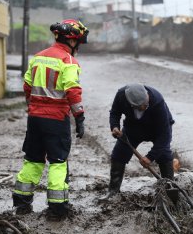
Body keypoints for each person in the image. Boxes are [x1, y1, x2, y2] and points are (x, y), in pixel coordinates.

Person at [12, 19, 89, 217]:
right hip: (56, 119)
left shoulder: (38, 57)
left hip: (35, 118)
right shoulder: (68, 61)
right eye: (78, 42)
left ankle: (21, 203)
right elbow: (72, 91)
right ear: (72, 41)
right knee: (57, 161)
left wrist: (35, 106)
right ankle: (57, 207)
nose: (78, 46)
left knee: (33, 159)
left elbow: (27, 86)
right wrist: (79, 117)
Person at [103, 83, 175, 200]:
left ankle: (169, 190)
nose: (145, 106)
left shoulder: (157, 100)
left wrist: (150, 157)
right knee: (119, 154)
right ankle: (113, 192)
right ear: (132, 104)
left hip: (157, 129)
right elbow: (115, 112)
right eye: (142, 106)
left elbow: (164, 136)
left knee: (164, 154)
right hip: (133, 128)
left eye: (146, 104)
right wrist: (115, 126)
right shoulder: (121, 95)